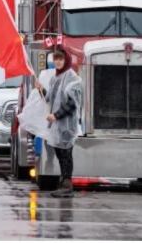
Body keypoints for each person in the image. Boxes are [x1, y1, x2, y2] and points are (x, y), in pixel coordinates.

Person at [41, 49, 82, 198]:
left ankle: (67, 184)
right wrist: (42, 90)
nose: (57, 62)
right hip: (57, 124)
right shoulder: (56, 78)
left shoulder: (72, 78)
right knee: (60, 153)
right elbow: (52, 98)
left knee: (66, 154)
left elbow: (72, 104)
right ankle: (64, 181)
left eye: (60, 59)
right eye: (55, 59)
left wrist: (56, 115)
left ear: (66, 60)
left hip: (66, 124)